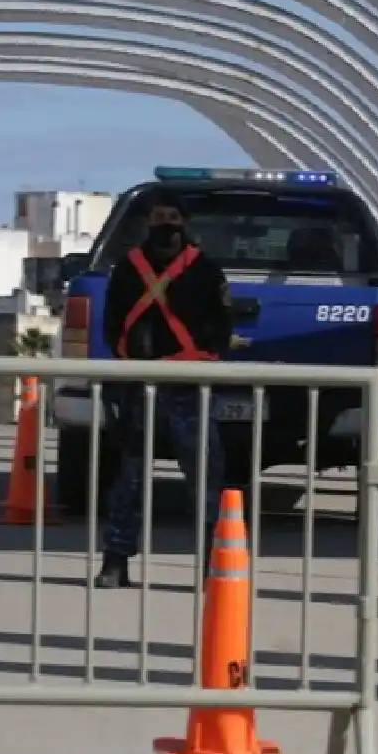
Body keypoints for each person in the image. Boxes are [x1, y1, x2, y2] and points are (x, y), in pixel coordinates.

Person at [94, 189, 232, 589]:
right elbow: (112, 325)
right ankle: (115, 561)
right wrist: (134, 362)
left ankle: (213, 566)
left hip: (192, 386)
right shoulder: (127, 269)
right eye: (158, 218)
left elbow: (221, 327)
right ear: (146, 223)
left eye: (173, 217)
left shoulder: (206, 270)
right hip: (140, 387)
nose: (166, 225)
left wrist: (194, 358)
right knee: (129, 479)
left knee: (206, 478)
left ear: (185, 222)